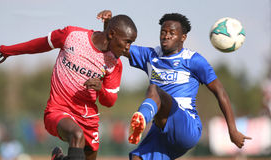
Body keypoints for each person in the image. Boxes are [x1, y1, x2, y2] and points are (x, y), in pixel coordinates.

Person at [97, 10, 251, 160]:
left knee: (154, 89)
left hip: (186, 127)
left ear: (183, 37)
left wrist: (232, 130)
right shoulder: (151, 56)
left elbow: (220, 92)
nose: (166, 36)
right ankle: (141, 122)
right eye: (163, 32)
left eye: (171, 32)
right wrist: (108, 26)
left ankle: (141, 119)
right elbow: (116, 45)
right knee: (137, 157)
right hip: (161, 131)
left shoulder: (193, 60)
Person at [0, 14, 137, 160]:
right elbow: (41, 44)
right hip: (58, 110)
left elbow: (109, 102)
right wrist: (9, 50)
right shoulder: (72, 36)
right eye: (127, 41)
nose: (128, 48)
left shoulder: (115, 64)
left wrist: (101, 89)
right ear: (112, 34)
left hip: (88, 119)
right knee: (77, 134)